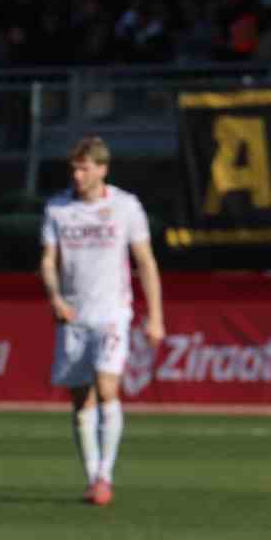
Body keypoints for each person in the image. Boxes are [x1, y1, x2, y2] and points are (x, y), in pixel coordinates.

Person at [39, 137, 165, 506]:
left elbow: (145, 262)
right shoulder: (58, 209)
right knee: (81, 401)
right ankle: (92, 475)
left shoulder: (125, 207)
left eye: (84, 168)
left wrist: (155, 316)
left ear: (102, 169)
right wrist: (55, 298)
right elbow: (49, 260)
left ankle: (105, 476)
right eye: (74, 169)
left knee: (107, 387)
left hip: (113, 312)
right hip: (73, 316)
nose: (78, 175)